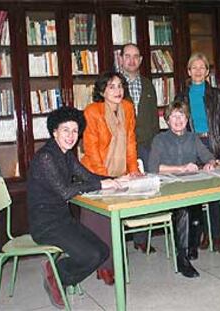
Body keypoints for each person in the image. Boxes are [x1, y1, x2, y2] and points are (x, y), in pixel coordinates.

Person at [27, 106, 121, 309]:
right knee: (92, 255)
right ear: (54, 132)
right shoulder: (46, 157)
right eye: (65, 130)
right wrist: (100, 185)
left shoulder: (66, 154)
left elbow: (87, 176)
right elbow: (65, 192)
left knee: (103, 251)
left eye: (75, 131)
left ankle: (57, 273)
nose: (71, 136)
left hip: (63, 220)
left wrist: (117, 180)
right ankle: (57, 275)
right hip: (45, 225)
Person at [81, 71, 140, 285]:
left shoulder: (127, 108)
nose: (117, 91)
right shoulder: (92, 111)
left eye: (120, 86)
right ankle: (104, 266)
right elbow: (92, 148)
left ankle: (109, 263)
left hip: (120, 172)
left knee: (114, 218)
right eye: (112, 86)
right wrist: (104, 180)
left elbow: (131, 141)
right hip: (94, 173)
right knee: (100, 220)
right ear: (102, 91)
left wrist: (132, 169)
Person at [148, 100, 216, 278]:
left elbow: (209, 157)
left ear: (187, 119)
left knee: (196, 204)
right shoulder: (160, 139)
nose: (178, 120)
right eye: (174, 116)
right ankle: (182, 257)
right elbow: (153, 167)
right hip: (167, 186)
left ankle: (192, 245)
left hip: (190, 185)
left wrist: (209, 163)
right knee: (184, 209)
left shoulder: (193, 138)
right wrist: (181, 168)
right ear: (167, 120)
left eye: (182, 116)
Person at [175, 52, 220, 258]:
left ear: (207, 72)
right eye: (194, 67)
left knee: (215, 194)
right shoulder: (181, 96)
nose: (198, 71)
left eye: (202, 67)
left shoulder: (217, 95)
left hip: (212, 144)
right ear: (189, 71)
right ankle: (201, 235)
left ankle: (216, 236)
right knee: (196, 194)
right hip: (191, 146)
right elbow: (176, 126)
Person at [119, 43, 160, 252]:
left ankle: (141, 240)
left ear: (141, 60)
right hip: (119, 149)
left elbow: (154, 119)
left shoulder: (148, 84)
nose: (132, 60)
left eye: (136, 56)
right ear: (120, 59)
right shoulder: (113, 84)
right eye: (127, 56)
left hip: (145, 146)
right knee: (121, 191)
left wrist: (155, 146)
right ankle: (116, 242)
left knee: (144, 191)